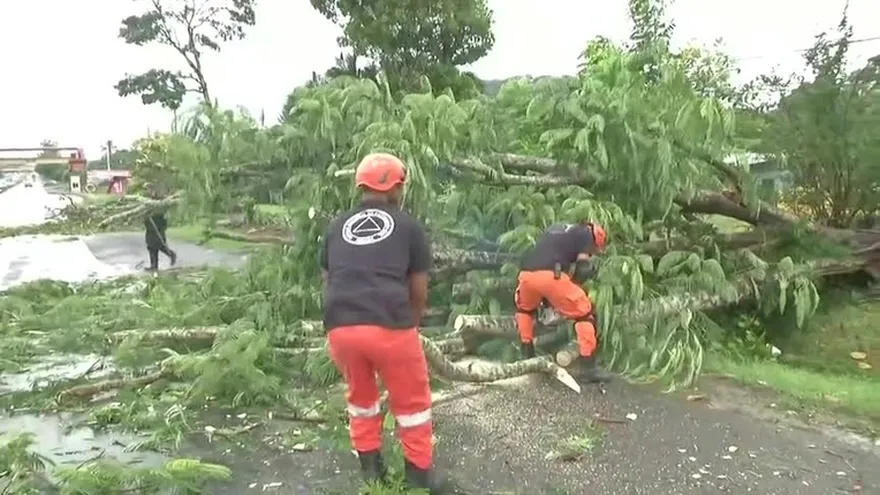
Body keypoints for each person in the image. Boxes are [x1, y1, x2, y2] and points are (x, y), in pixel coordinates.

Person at [319, 153, 453, 493]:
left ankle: (371, 471)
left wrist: (340, 317)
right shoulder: (409, 226)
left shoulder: (337, 226)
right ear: (395, 187)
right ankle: (418, 477)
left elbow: (328, 278)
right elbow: (418, 286)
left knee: (361, 399)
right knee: (412, 404)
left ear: (361, 185)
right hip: (389, 324)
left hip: (340, 325)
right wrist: (411, 321)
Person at [514, 222, 612, 383]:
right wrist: (576, 288)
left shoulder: (557, 229)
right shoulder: (586, 234)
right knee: (586, 314)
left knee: (525, 310)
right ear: (596, 240)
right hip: (553, 274)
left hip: (526, 275)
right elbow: (583, 268)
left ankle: (527, 355)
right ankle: (588, 368)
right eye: (594, 250)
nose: (593, 252)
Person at [143, 183, 177, 272]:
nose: (148, 191)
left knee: (160, 244)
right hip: (150, 224)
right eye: (146, 189)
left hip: (158, 223)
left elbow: (163, 210)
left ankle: (171, 254)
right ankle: (154, 265)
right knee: (151, 245)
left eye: (149, 189)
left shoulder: (160, 199)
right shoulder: (146, 199)